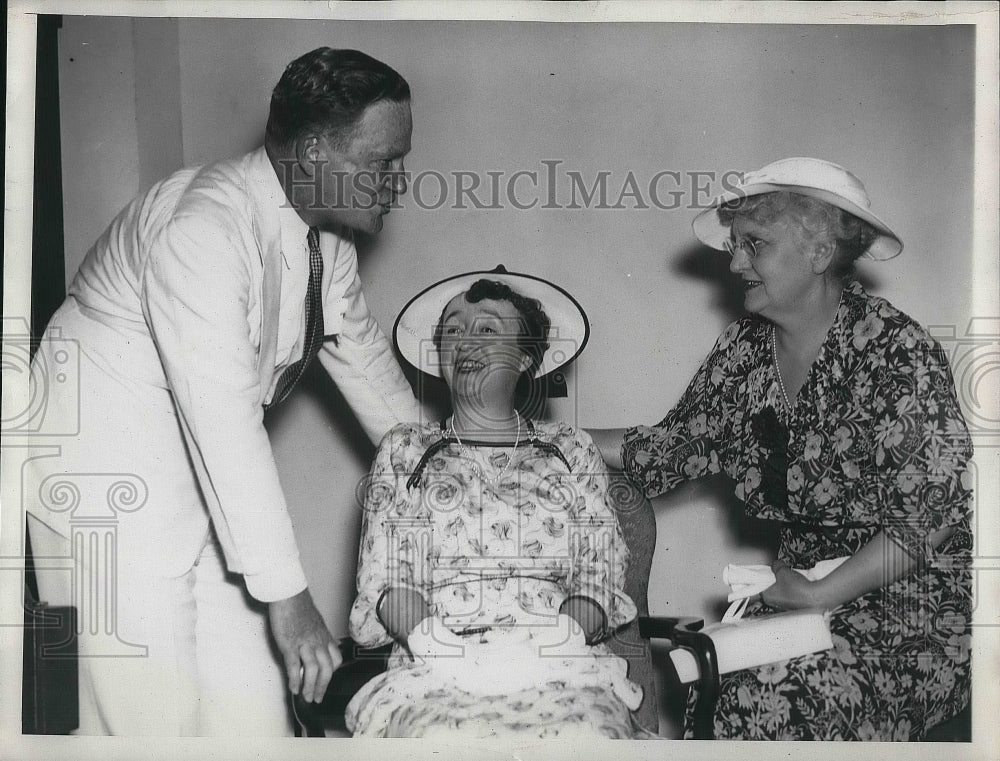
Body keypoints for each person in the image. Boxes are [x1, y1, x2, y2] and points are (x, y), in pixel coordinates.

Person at [23, 47, 421, 736]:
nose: (398, 183)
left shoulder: (329, 245)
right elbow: (226, 420)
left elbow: (375, 378)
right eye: (382, 163)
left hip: (201, 481)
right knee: (147, 723)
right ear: (317, 151)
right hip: (103, 473)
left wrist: (451, 471)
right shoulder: (204, 228)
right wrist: (289, 597)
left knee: (254, 712)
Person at [590, 157, 973, 740]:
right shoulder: (745, 348)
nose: (736, 261)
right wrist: (549, 436)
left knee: (780, 701)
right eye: (736, 244)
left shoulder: (898, 353)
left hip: (909, 603)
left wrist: (820, 593)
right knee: (718, 690)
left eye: (755, 244)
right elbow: (675, 448)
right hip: (801, 590)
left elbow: (929, 519)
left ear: (819, 253)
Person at [343, 270, 652, 738]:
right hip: (435, 671)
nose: (464, 342)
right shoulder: (404, 449)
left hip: (559, 665)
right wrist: (448, 654)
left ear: (527, 356)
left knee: (582, 739)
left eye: (486, 329)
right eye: (452, 330)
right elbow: (387, 579)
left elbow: (601, 570)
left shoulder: (571, 449)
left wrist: (554, 644)